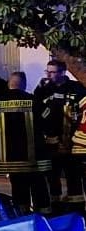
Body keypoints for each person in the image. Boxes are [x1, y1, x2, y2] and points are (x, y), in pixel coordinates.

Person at [0, 71, 50, 213]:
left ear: (9, 83)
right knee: (39, 187)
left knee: (18, 189)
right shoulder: (34, 100)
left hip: (11, 157)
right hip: (34, 156)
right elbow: (48, 120)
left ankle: (22, 216)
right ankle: (43, 216)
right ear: (24, 84)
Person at [37, 58, 85, 204]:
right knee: (52, 175)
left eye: (53, 72)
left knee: (73, 175)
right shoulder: (44, 90)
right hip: (51, 142)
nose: (49, 75)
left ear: (63, 72)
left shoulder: (76, 88)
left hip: (72, 141)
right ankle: (55, 204)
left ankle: (75, 205)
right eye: (48, 72)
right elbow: (38, 112)